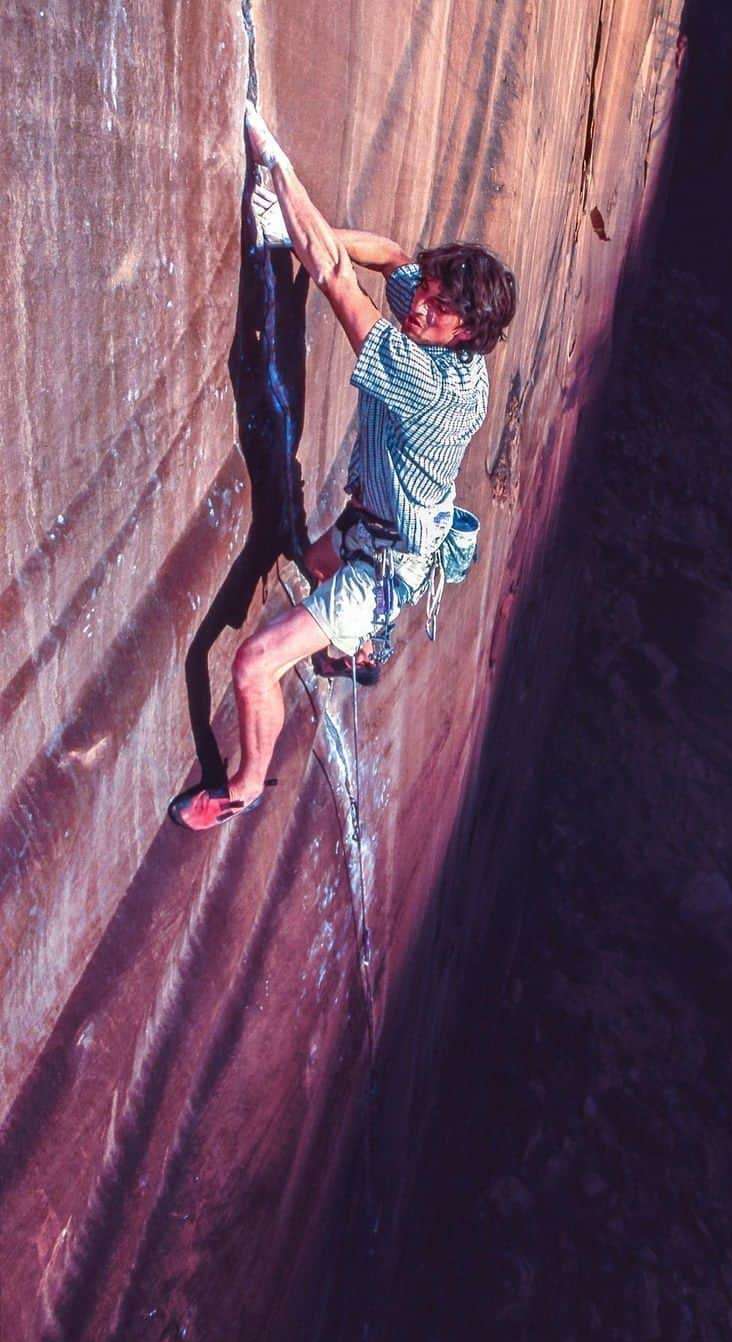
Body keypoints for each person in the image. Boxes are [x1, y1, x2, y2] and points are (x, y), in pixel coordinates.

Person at [170, 104, 516, 831]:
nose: (421, 304)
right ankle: (361, 641)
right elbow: (392, 257)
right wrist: (303, 238)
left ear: (468, 333)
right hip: (378, 521)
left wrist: (276, 165)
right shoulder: (440, 322)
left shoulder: (431, 386)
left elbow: (334, 275)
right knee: (307, 557)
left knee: (252, 664)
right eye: (431, 291)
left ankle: (245, 784)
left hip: (387, 564)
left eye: (442, 305)